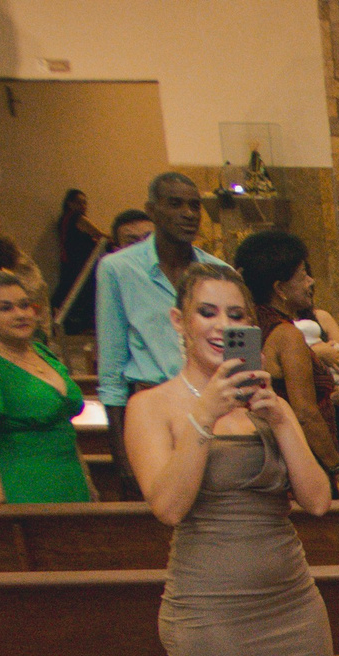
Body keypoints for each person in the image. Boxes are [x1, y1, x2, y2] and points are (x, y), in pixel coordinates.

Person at [124, 262, 333, 656]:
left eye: (235, 316)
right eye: (207, 312)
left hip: (294, 604)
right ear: (179, 321)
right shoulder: (151, 406)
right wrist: (203, 416)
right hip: (210, 613)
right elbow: (168, 507)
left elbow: (318, 502)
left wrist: (281, 420)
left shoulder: (271, 403)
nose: (221, 326)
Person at [97, 173, 225, 500]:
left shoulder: (218, 272)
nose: (189, 213)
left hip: (211, 404)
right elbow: (111, 371)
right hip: (151, 405)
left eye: (195, 206)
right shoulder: (119, 269)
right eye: (176, 204)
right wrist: (121, 456)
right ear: (152, 211)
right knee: (164, 510)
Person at [0, 270, 95, 508]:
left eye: (24, 305)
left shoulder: (43, 354)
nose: (20, 314)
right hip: (24, 483)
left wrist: (87, 480)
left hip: (70, 479)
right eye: (5, 308)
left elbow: (64, 426)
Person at [233, 230, 339, 501]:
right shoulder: (287, 335)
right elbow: (305, 414)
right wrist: (338, 469)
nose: (310, 281)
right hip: (297, 460)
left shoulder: (249, 327)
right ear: (279, 289)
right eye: (302, 275)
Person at [53, 189, 106, 334]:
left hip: (69, 263)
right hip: (81, 265)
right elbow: (98, 234)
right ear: (70, 204)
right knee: (84, 295)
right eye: (79, 202)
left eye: (84, 202)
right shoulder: (77, 218)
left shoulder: (63, 220)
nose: (83, 206)